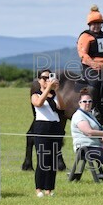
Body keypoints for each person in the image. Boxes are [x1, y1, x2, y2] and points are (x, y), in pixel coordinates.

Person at [77, 4, 103, 116]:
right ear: (89, 24)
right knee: (96, 82)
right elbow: (83, 53)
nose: (96, 26)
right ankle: (93, 109)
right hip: (90, 68)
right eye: (94, 24)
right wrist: (92, 63)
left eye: (98, 23)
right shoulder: (85, 36)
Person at [31, 69, 62, 197]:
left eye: (49, 77)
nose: (47, 80)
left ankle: (49, 188)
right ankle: (39, 188)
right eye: (44, 78)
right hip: (42, 128)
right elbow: (38, 103)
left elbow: (62, 107)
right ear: (39, 80)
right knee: (43, 159)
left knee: (53, 160)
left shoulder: (54, 95)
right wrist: (48, 88)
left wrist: (57, 90)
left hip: (55, 127)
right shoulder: (35, 94)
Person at [70, 90, 103, 173]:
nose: (87, 103)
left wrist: (102, 136)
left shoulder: (89, 114)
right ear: (79, 103)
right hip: (85, 148)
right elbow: (89, 132)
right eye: (84, 101)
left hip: (95, 146)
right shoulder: (79, 115)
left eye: (90, 101)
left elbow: (97, 129)